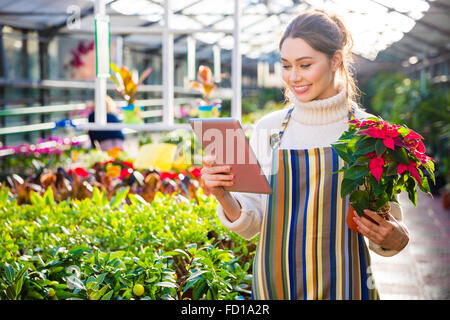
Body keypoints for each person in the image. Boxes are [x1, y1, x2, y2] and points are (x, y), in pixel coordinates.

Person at [201, 10, 410, 300]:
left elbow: (389, 224)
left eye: (305, 64)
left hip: (346, 284)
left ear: (335, 59)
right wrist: (223, 195)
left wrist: (396, 235)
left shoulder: (369, 133)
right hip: (276, 285)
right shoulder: (269, 128)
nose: (293, 77)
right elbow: (252, 224)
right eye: (286, 66)